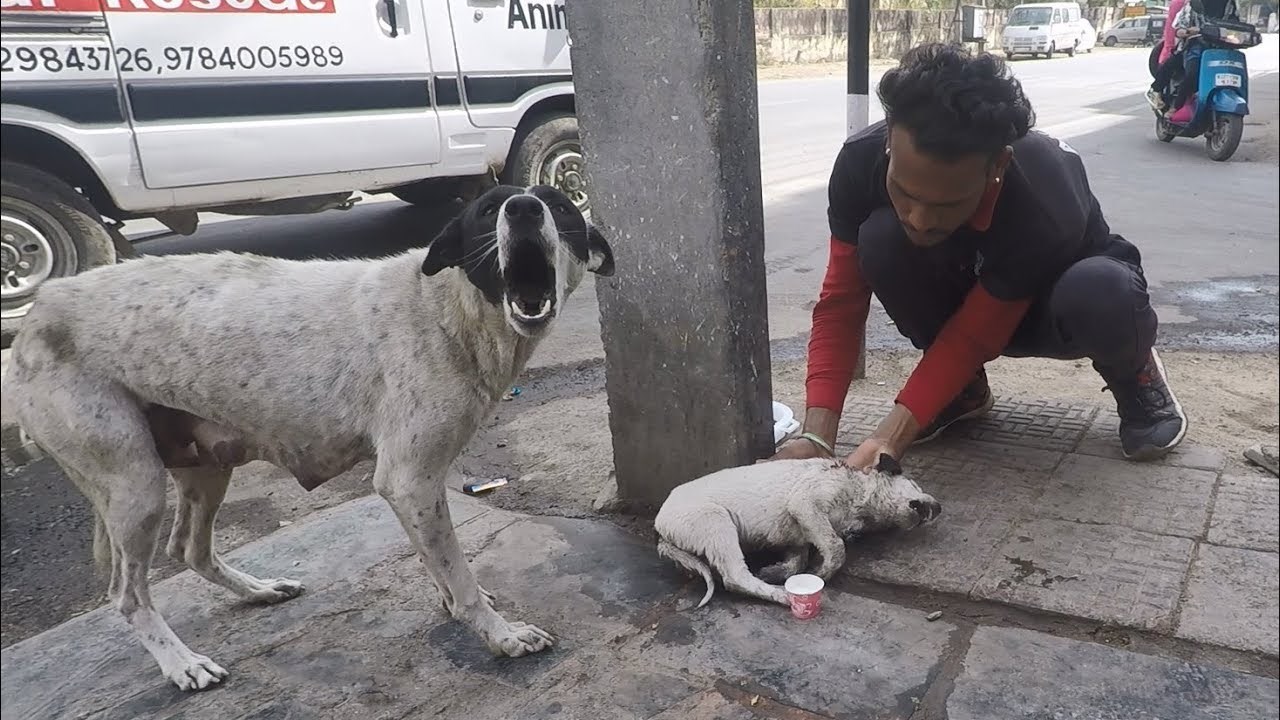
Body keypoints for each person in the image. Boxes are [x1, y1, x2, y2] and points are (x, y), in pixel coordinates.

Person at [770, 42, 1187, 471]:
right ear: (890, 137)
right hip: (973, 284)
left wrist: (890, 436)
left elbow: (975, 334)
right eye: (905, 193)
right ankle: (962, 390)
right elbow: (840, 303)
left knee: (1101, 291)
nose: (920, 218)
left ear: (997, 167)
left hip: (1053, 306)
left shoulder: (1043, 194)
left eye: (948, 203)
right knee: (880, 239)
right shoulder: (859, 162)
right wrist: (817, 437)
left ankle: (1132, 371)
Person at [1148, 0, 1189, 110]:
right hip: (1186, 46)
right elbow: (1173, 33)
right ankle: (1158, 91)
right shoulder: (1183, 4)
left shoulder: (1230, 5)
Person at [1169, 0, 1209, 115]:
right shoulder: (1193, 5)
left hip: (1222, 48)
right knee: (1192, 74)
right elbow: (1179, 27)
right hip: (1196, 46)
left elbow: (1236, 25)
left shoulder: (1229, 7)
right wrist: (1184, 31)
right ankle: (1177, 106)